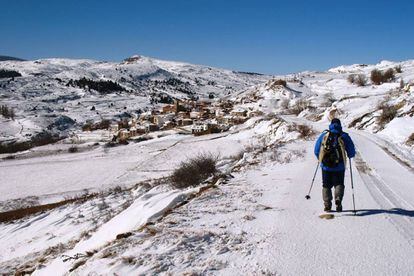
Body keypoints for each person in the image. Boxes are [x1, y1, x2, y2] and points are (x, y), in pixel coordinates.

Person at [314, 118, 355, 212]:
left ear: (331, 125)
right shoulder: (344, 136)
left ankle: (327, 205)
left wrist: (321, 160)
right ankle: (338, 200)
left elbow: (316, 150)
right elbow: (351, 152)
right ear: (340, 125)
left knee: (326, 185)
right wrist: (349, 155)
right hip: (339, 166)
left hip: (326, 166)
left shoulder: (324, 135)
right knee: (339, 183)